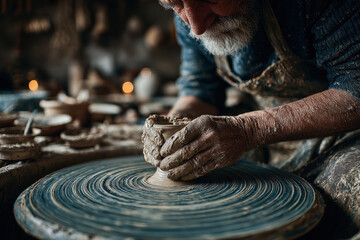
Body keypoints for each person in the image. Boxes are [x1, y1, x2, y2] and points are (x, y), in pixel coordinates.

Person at [142, 0, 360, 237]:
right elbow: (199, 89)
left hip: (339, 136)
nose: (195, 27)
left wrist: (249, 129)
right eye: (175, 4)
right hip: (252, 140)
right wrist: (177, 124)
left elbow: (355, 87)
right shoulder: (191, 16)